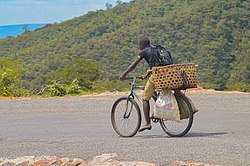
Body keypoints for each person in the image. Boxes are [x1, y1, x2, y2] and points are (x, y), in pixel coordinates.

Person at [119, 37, 172, 132]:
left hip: (157, 75)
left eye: (139, 45)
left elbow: (133, 65)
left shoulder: (144, 51)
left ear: (142, 45)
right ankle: (160, 107)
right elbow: (156, 63)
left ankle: (147, 123)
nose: (139, 47)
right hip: (166, 73)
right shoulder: (156, 48)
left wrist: (124, 74)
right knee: (152, 92)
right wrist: (147, 74)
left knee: (145, 98)